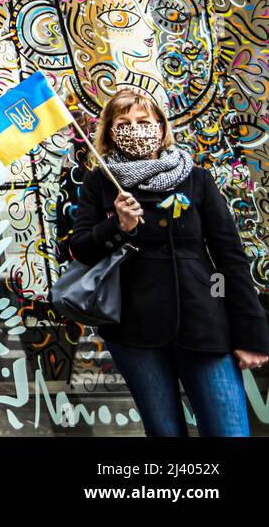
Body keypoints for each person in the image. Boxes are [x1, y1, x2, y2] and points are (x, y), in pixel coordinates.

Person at [69, 87, 269, 436]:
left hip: (204, 323)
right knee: (164, 432)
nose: (135, 128)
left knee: (229, 430)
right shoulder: (99, 182)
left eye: (144, 121)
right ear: (111, 132)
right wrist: (118, 226)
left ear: (161, 127)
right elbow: (80, 250)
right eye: (124, 122)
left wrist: (252, 334)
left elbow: (230, 258)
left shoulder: (196, 178)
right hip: (133, 329)